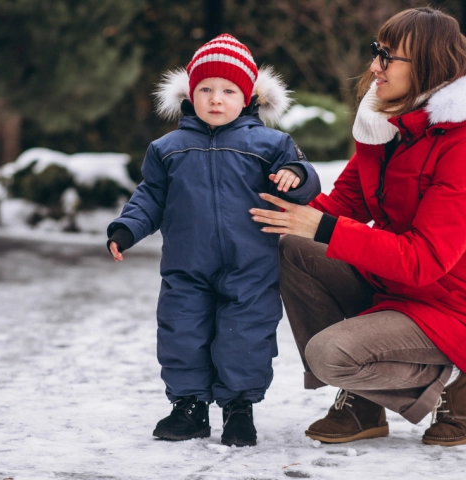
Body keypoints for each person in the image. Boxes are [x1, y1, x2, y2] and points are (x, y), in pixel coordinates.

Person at [250, 7, 466, 447]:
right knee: (294, 249)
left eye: (388, 57)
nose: (375, 66)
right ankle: (366, 403)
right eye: (377, 52)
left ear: (430, 66)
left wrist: (324, 227)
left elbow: (425, 259)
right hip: (396, 289)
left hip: (457, 308)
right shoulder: (389, 129)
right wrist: (262, 207)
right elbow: (340, 206)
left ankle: (460, 385)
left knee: (327, 356)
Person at [106, 33, 321, 447]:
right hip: (187, 266)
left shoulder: (270, 145)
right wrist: (126, 228)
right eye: (205, 89)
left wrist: (295, 176)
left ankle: (239, 407)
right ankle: (189, 406)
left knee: (246, 335)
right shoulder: (168, 149)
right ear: (190, 95)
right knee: (181, 332)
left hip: (250, 266)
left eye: (228, 90)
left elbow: (304, 178)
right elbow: (150, 196)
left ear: (249, 97)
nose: (216, 98)